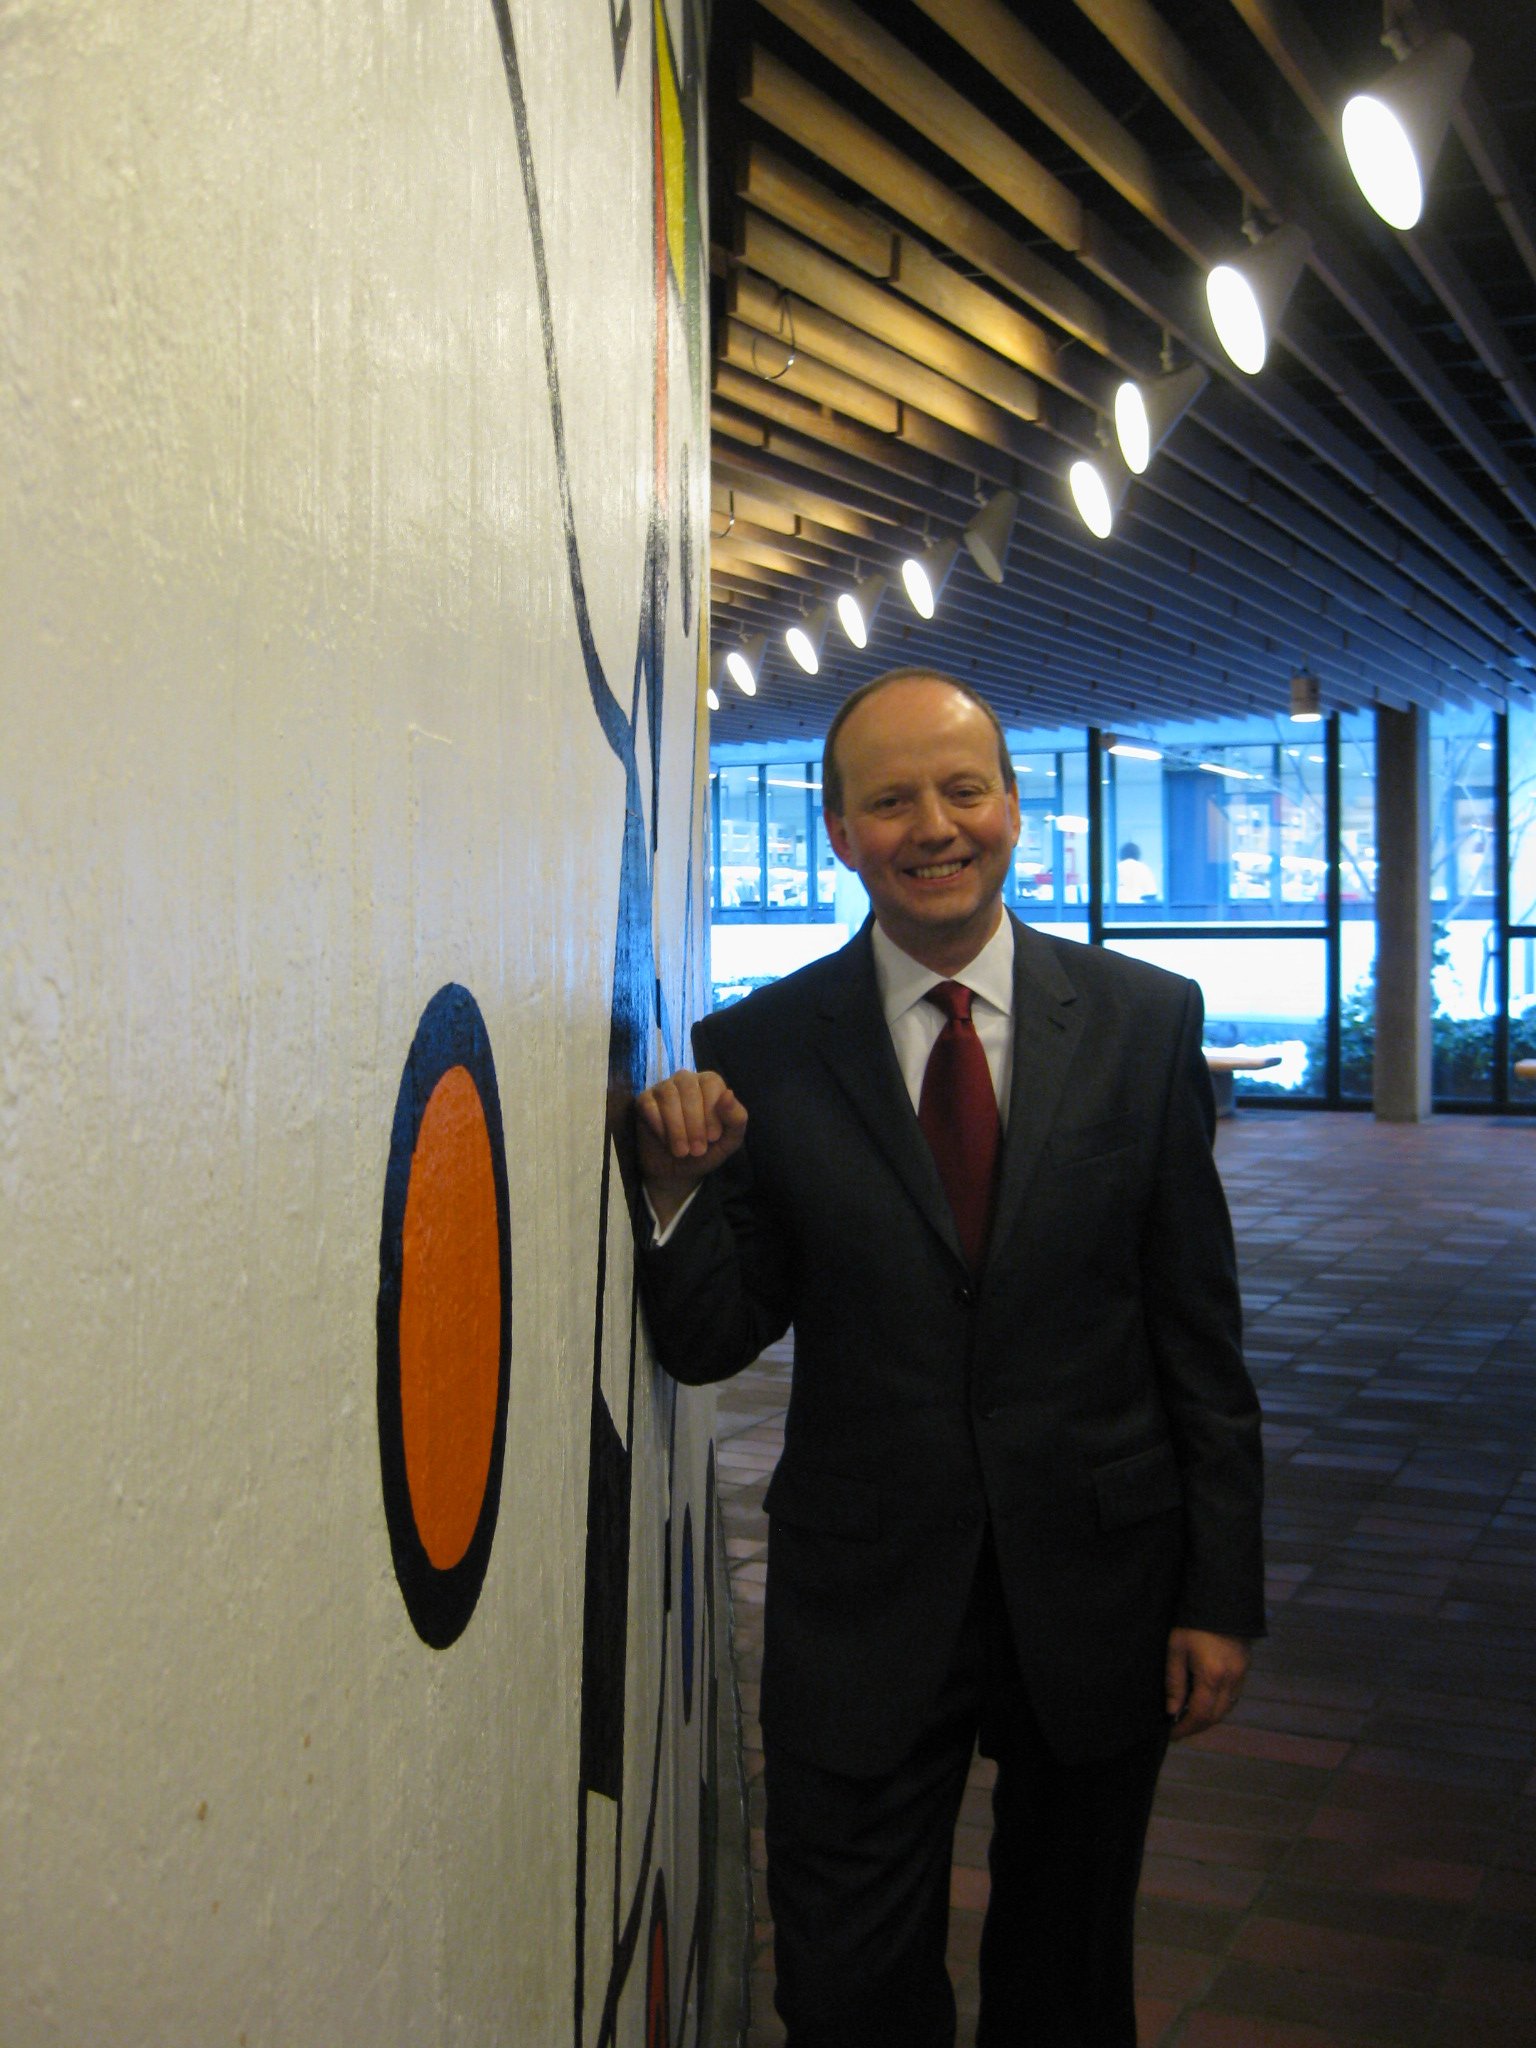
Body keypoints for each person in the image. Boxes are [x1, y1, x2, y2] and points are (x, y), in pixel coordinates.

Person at [633, 670, 1264, 2048]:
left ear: (1013, 808)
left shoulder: (1144, 1023)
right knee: (850, 1986)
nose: (935, 824)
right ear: (840, 832)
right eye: (891, 798)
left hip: (1100, 1580)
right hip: (863, 1600)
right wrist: (677, 1190)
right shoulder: (761, 1049)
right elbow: (711, 1336)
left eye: (962, 789)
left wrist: (1221, 1589)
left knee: (1066, 1980)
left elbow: (1195, 1331)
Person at [1117, 840, 1159, 904]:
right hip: (1140, 909)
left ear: (1121, 854)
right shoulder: (1144, 868)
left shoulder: (1116, 868)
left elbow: (1109, 895)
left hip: (1119, 909)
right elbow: (1152, 894)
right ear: (1138, 854)